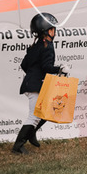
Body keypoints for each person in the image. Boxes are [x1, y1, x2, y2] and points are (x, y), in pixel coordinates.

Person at [12, 13, 68, 154]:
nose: (55, 32)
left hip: (31, 84)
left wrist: (33, 75)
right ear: (47, 31)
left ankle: (31, 133)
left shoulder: (36, 45)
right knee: (34, 116)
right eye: (53, 29)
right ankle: (18, 146)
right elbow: (46, 67)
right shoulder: (47, 46)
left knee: (47, 111)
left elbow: (24, 65)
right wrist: (60, 69)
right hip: (34, 86)